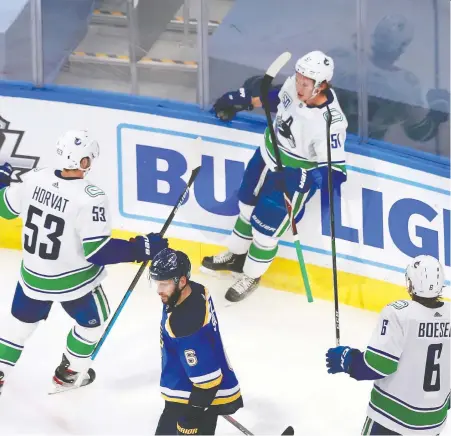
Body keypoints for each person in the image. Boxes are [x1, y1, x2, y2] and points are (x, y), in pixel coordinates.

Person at [0, 130, 168, 393]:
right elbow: (97, 252)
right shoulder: (90, 197)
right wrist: (140, 247)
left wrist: (2, 183)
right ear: (83, 162)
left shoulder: (35, 177)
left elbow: (4, 209)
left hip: (32, 277)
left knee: (17, 329)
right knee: (95, 322)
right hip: (73, 282)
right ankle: (70, 373)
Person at [201, 50, 348, 302]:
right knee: (246, 205)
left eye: (305, 82)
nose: (298, 84)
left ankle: (251, 275)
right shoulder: (295, 84)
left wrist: (302, 181)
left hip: (293, 176)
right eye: (298, 77)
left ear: (321, 85)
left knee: (265, 230)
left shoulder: (331, 123)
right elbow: (276, 99)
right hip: (266, 156)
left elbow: (334, 173)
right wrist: (243, 101)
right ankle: (236, 255)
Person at [326, 255, 450, 435]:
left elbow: (377, 366)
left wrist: (347, 359)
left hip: (391, 420)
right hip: (432, 425)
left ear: (410, 284)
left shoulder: (399, 314)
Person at [149, 248, 243, 435]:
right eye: (157, 283)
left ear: (182, 281)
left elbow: (208, 381)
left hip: (192, 397)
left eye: (165, 284)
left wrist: (193, 414)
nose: (159, 290)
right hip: (192, 386)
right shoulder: (198, 290)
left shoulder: (185, 326)